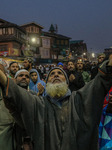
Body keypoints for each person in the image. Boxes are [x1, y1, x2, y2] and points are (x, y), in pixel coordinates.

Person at [1, 58, 112, 150]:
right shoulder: (39, 104)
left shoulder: (78, 99)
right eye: (52, 74)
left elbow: (99, 83)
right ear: (47, 82)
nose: (56, 75)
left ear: (67, 83)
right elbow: (18, 94)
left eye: (60, 73)